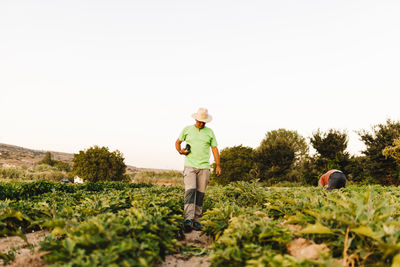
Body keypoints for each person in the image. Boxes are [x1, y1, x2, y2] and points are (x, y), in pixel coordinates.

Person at [175, 107, 221, 233]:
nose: (201, 123)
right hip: (190, 165)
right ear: (195, 119)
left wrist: (218, 165)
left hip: (204, 167)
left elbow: (214, 149)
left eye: (203, 122)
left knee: (200, 194)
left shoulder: (210, 132)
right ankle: (188, 219)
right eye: (200, 121)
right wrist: (180, 151)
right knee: (190, 190)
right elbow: (177, 142)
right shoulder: (187, 129)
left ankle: (197, 221)